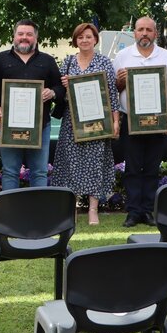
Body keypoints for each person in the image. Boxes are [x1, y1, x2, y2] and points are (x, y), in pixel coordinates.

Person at [113, 16, 167, 228]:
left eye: (149, 30)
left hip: (158, 122)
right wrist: (120, 81)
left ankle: (148, 210)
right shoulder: (123, 56)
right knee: (133, 167)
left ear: (155, 33)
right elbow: (113, 89)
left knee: (152, 167)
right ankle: (133, 212)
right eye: (140, 29)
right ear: (134, 33)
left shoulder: (166, 56)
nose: (144, 33)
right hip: (131, 121)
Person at [51, 23, 120, 225]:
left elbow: (112, 95)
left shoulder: (105, 62)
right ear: (75, 40)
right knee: (70, 164)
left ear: (95, 39)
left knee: (95, 163)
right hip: (71, 123)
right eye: (80, 37)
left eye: (88, 36)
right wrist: (64, 86)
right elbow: (61, 95)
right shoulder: (69, 62)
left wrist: (116, 121)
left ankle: (93, 210)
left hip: (98, 122)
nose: (84, 40)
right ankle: (70, 209)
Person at [0, 19, 63, 190]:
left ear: (36, 37)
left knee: (40, 171)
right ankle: (9, 214)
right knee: (10, 171)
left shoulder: (47, 61)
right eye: (20, 34)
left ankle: (38, 214)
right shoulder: (0, 60)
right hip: (8, 126)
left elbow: (60, 87)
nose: (24, 37)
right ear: (14, 36)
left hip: (40, 126)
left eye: (29, 34)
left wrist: (53, 92)